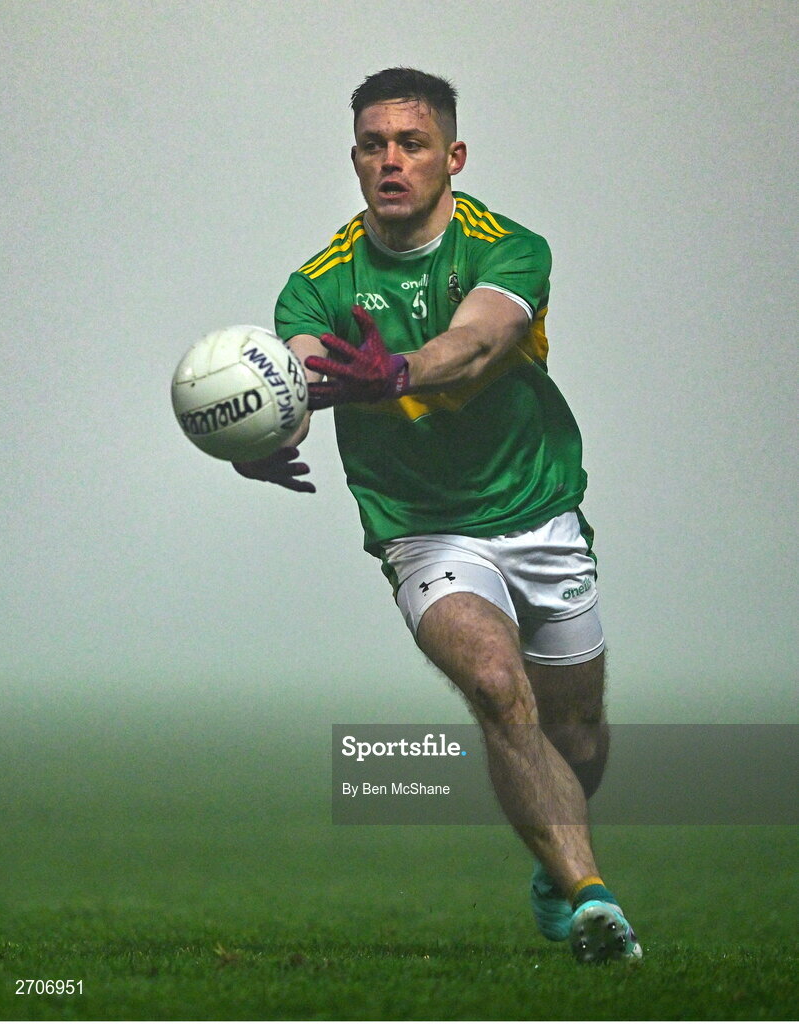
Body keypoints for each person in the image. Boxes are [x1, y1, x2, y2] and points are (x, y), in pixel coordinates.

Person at [235, 67, 641, 964]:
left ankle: (551, 860)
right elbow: (299, 365)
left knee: (575, 733)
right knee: (498, 685)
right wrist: (267, 428)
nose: (392, 160)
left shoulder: (511, 246)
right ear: (354, 159)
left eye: (411, 143)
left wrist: (404, 370)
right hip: (421, 526)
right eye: (374, 145)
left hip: (538, 508)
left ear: (451, 155)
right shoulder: (317, 283)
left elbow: (483, 336)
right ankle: (591, 897)